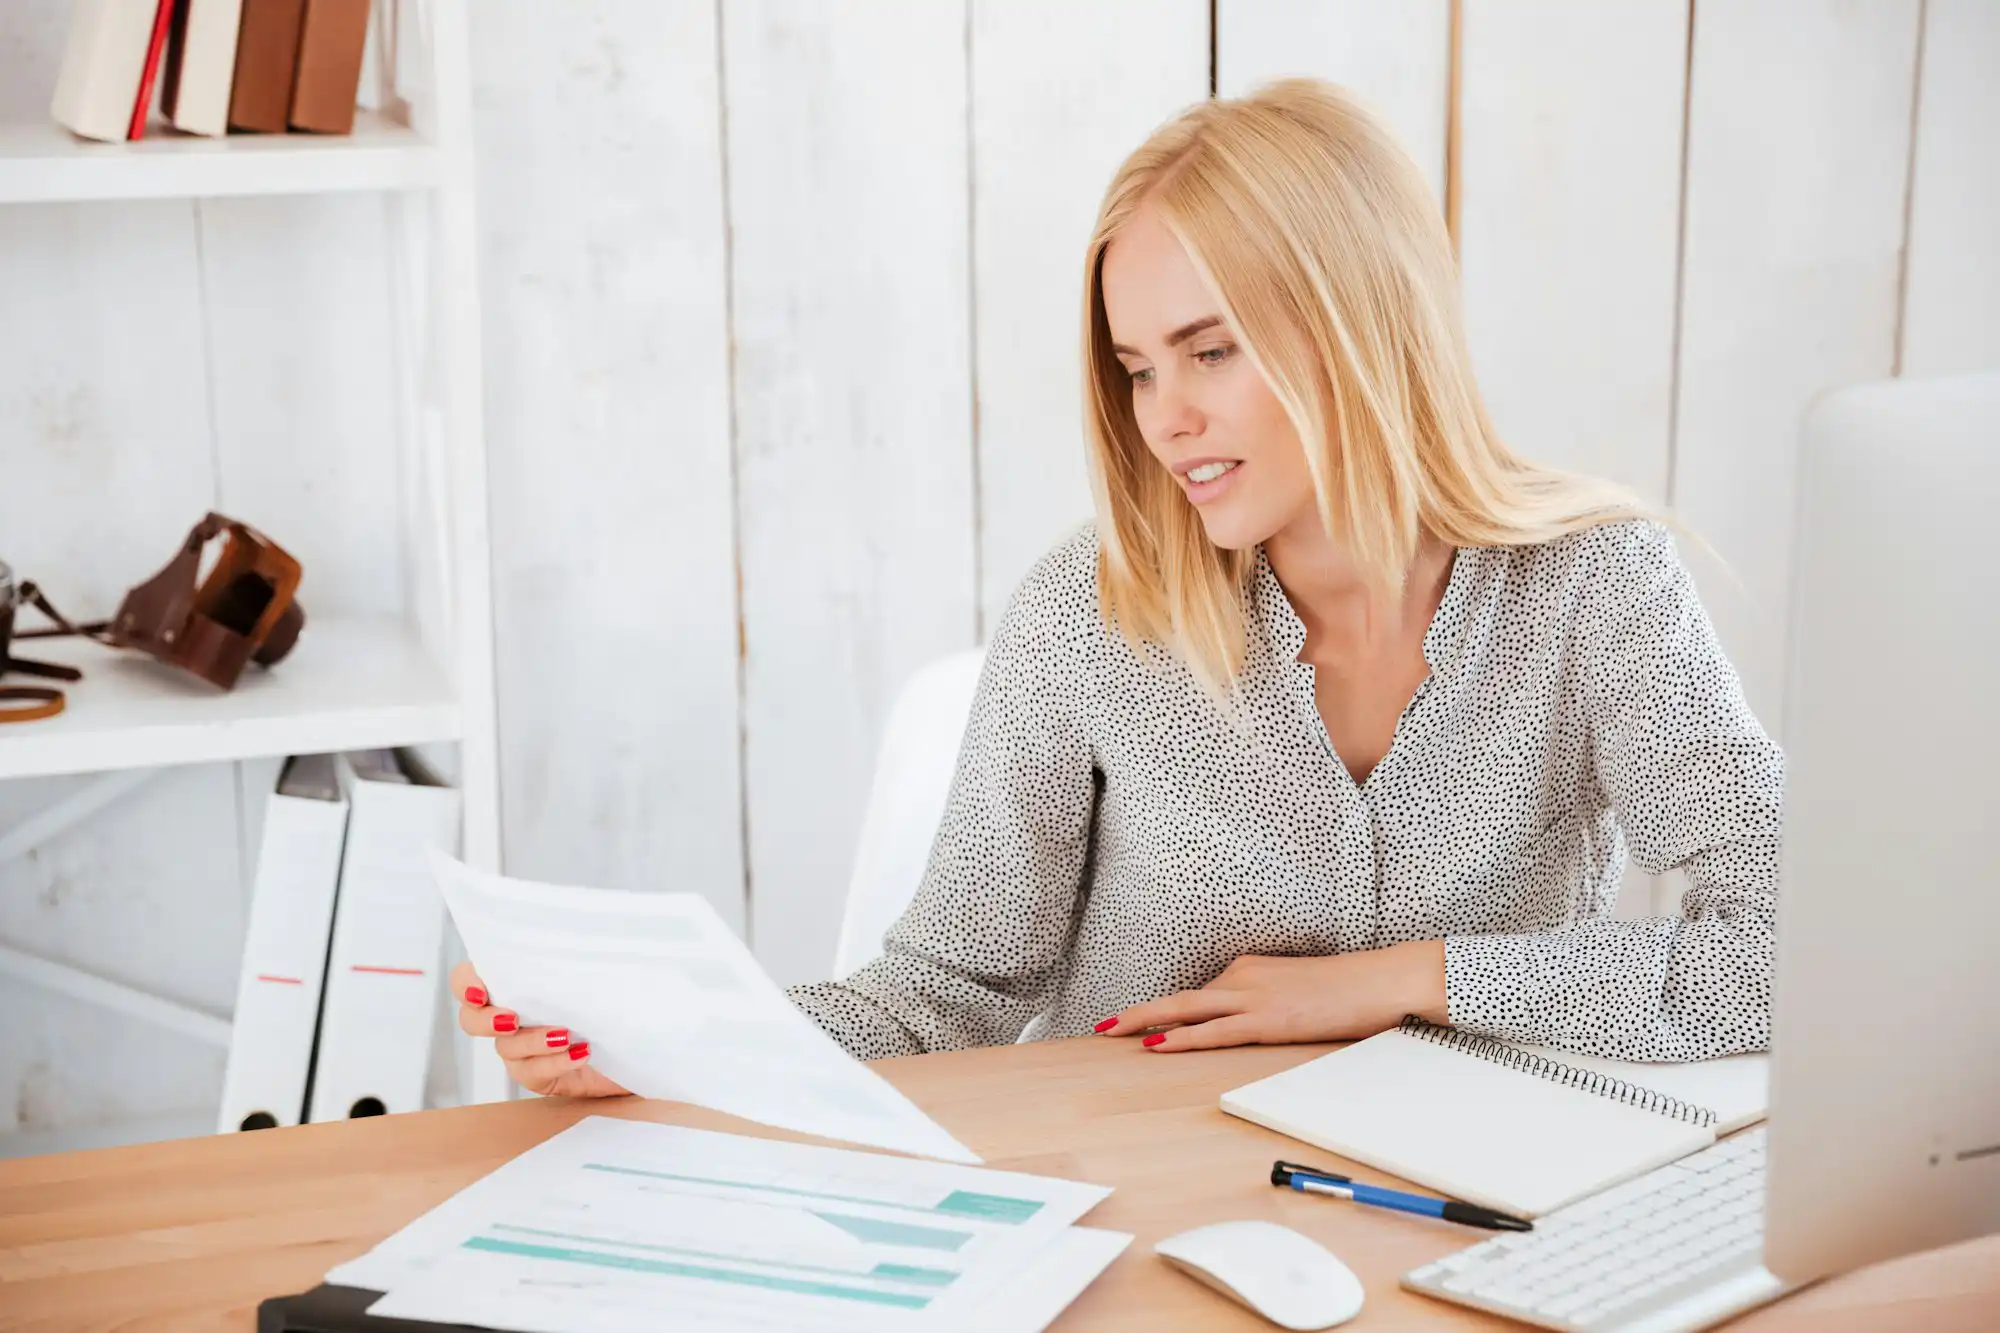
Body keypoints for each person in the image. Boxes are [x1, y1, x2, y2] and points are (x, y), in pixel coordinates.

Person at [453, 78, 1783, 1101]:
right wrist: (679, 1044)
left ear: (1360, 322)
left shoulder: (1597, 587)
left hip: (1458, 1192)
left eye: (1211, 352)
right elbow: (944, 993)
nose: (1168, 418)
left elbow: (1791, 952)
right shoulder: (1089, 619)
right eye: (1139, 366)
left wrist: (1395, 987)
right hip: (1131, 1189)